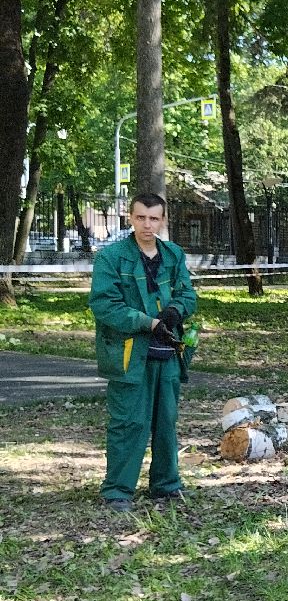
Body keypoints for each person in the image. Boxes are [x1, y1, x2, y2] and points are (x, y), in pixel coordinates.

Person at [88, 193, 198, 513]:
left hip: (169, 353)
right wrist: (148, 323)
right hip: (129, 354)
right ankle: (117, 490)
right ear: (130, 218)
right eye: (140, 218)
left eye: (154, 218)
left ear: (163, 220)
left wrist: (174, 312)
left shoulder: (173, 254)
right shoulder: (111, 258)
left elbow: (187, 295)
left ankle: (166, 484)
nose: (147, 225)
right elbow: (104, 305)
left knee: (166, 422)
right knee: (128, 422)